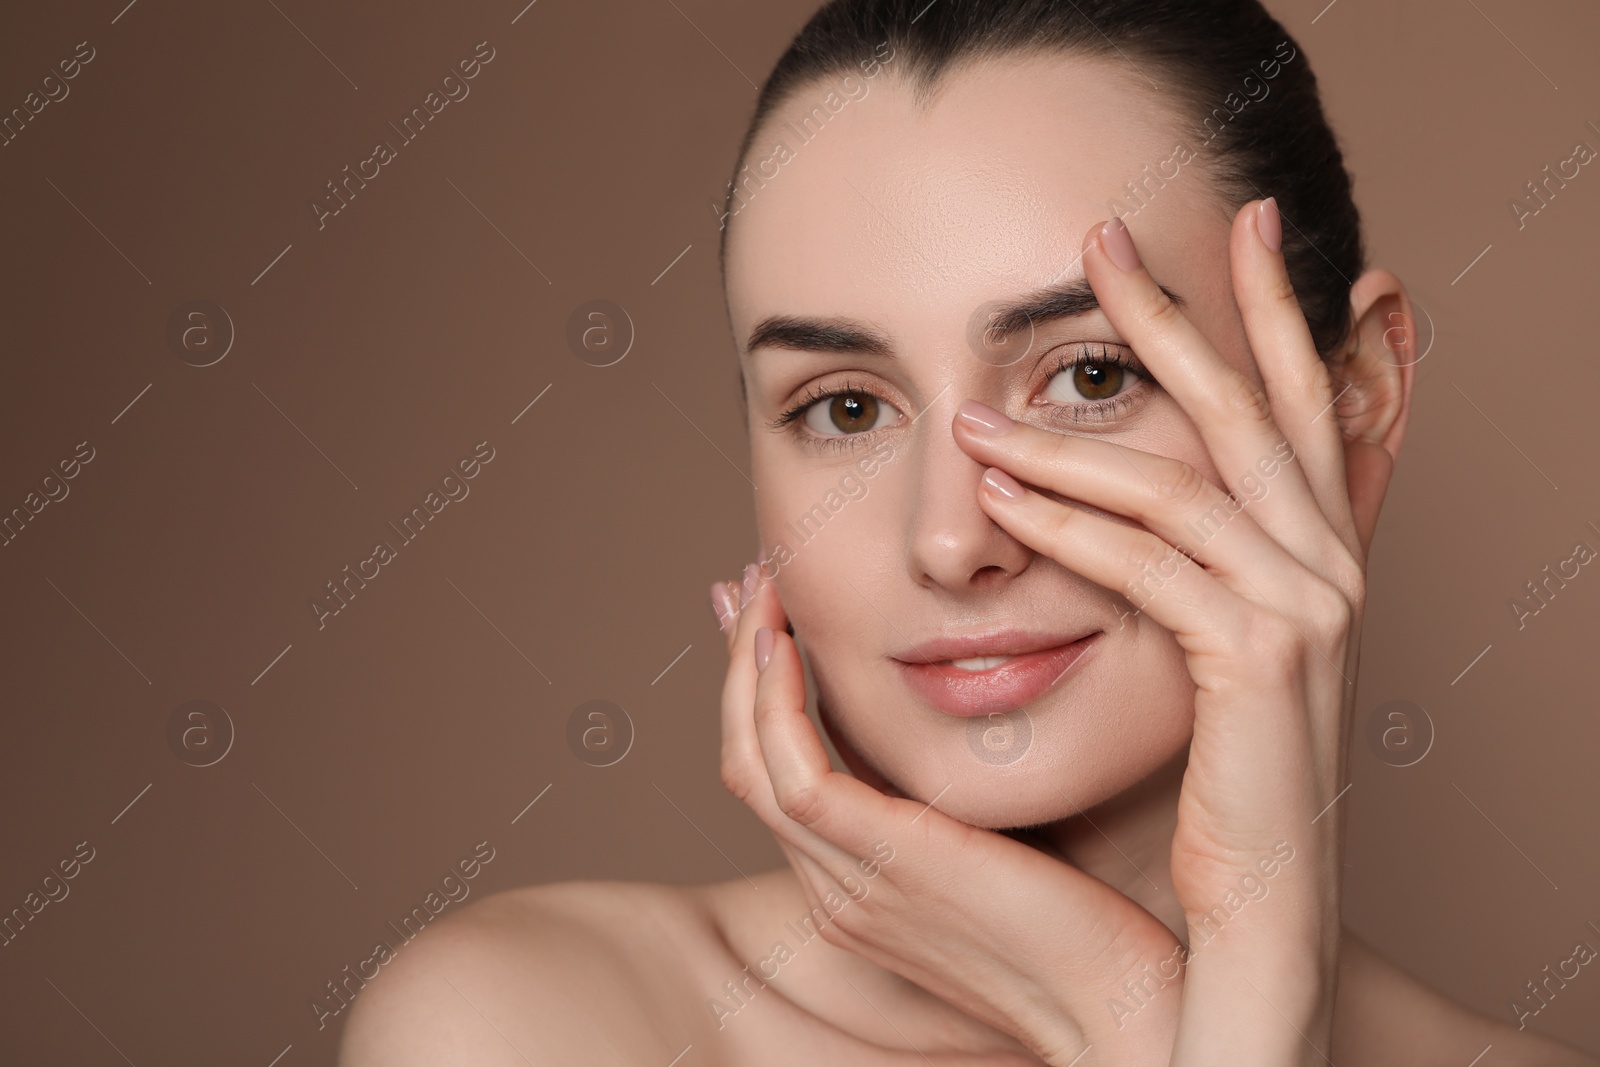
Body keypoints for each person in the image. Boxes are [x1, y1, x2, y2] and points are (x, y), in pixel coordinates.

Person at [339, 0, 1600, 1062]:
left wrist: (1210, 1015)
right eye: (843, 406)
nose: (951, 542)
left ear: (1350, 394)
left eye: (1092, 377)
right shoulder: (535, 1023)